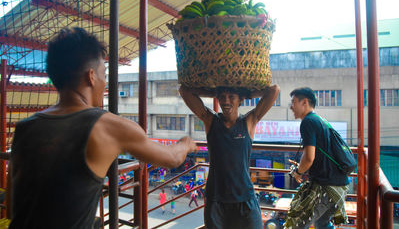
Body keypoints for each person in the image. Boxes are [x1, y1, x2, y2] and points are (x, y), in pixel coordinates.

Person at [8, 27, 197, 229]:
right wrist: (185, 144)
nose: (105, 83)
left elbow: (11, 207)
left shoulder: (25, 127)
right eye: (104, 74)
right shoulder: (108, 126)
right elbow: (172, 159)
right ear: (91, 76)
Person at [179, 84, 280, 229]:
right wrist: (214, 92)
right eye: (222, 97)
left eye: (231, 97)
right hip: (216, 200)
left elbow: (274, 90)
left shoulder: (249, 121)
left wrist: (245, 93)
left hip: (245, 198)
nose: (226, 102)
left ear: (240, 100)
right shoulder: (211, 120)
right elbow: (185, 90)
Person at [285, 87, 349, 228]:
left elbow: (309, 157)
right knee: (322, 224)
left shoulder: (308, 122)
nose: (291, 107)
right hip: (338, 184)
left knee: (296, 224)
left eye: (293, 102)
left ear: (304, 102)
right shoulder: (320, 120)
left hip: (326, 187)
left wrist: (299, 172)